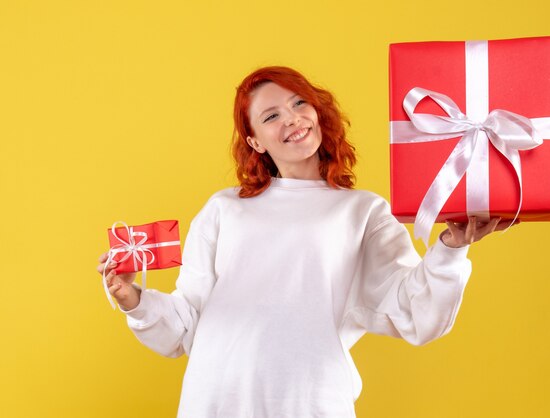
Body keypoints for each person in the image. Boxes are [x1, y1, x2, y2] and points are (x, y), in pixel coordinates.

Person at [97, 66, 505, 418]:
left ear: (317, 111)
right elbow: (185, 326)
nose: (292, 119)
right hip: (216, 400)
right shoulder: (225, 208)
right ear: (255, 141)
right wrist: (133, 297)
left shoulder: (362, 211)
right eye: (271, 115)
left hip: (310, 401)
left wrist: (450, 248)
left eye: (298, 103)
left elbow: (414, 311)